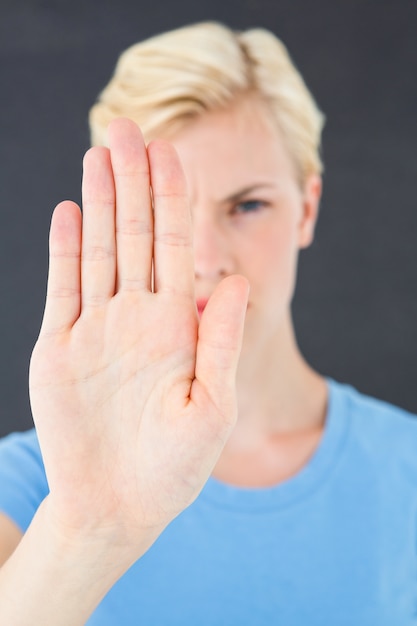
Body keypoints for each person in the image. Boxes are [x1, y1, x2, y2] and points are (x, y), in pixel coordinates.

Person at [0, 21, 416, 625]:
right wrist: (89, 530)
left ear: (308, 207)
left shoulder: (406, 468)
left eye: (248, 205)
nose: (207, 258)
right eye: (169, 211)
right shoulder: (32, 482)